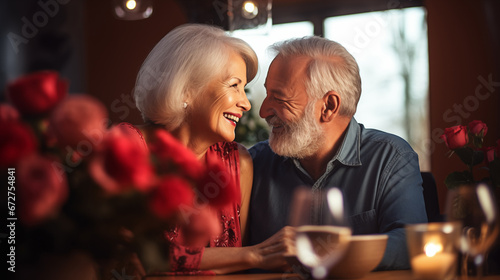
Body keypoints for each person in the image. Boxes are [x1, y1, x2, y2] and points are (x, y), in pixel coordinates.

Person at [248, 36, 428, 270]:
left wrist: (323, 250)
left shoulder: (391, 158)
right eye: (267, 94)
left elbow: (411, 245)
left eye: (279, 98)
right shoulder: (254, 163)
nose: (263, 111)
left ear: (329, 106)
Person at [130, 23, 294, 275]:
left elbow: (237, 268)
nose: (246, 104)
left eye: (244, 89)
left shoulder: (238, 162)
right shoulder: (127, 149)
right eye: (234, 85)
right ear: (187, 89)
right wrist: (256, 254)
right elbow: (136, 259)